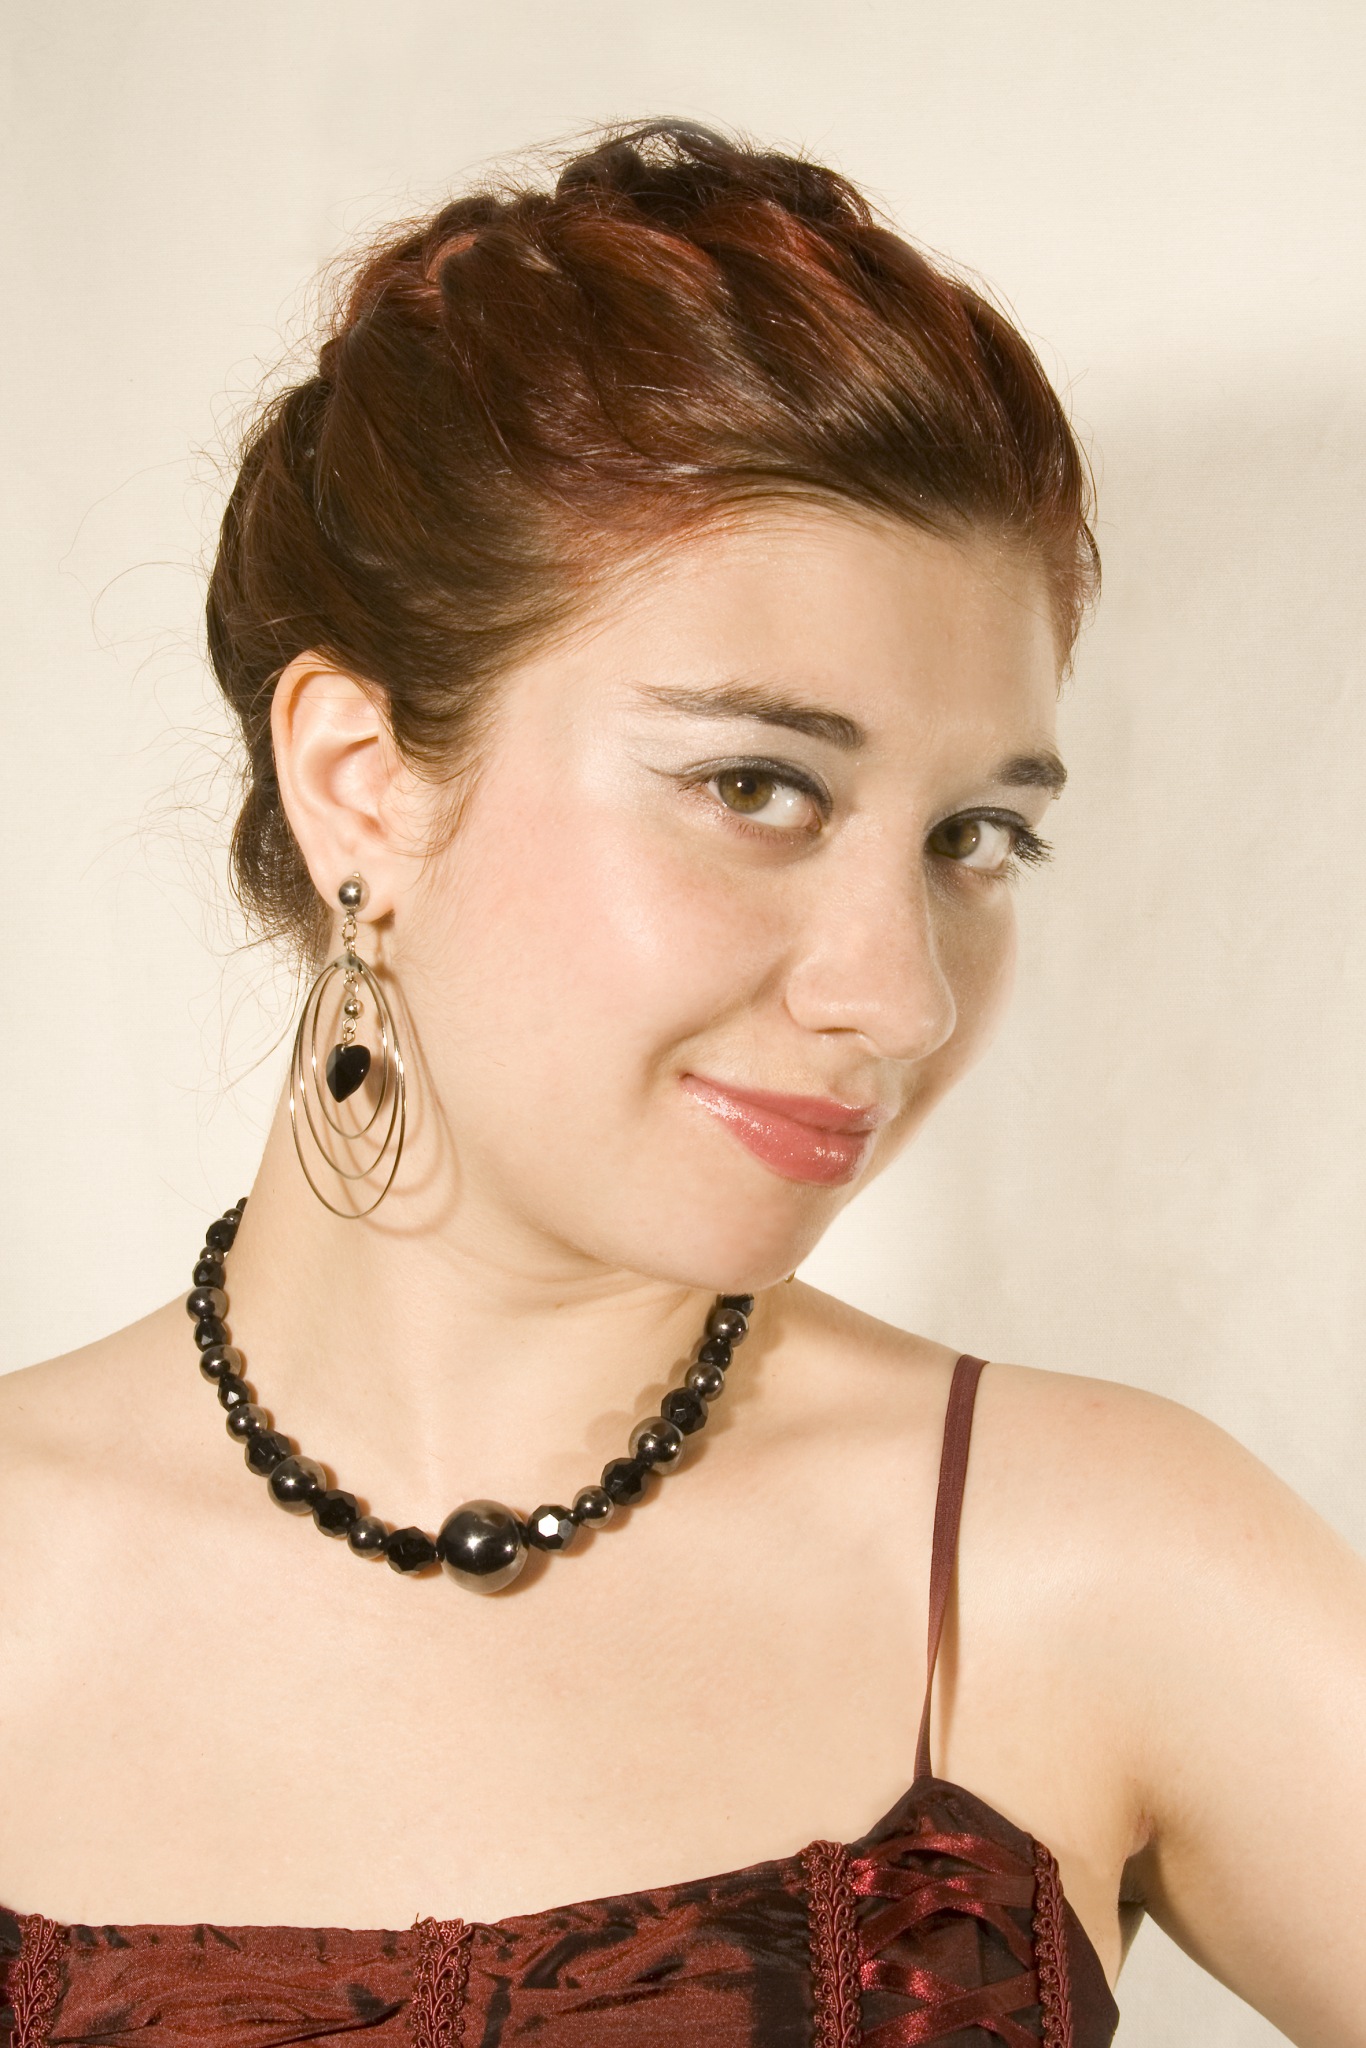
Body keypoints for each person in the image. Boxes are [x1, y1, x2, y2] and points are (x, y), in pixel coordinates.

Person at [0, 119, 1362, 2048]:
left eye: (973, 837)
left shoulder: (1095, 1563)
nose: (896, 995)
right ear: (361, 785)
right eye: (753, 787)